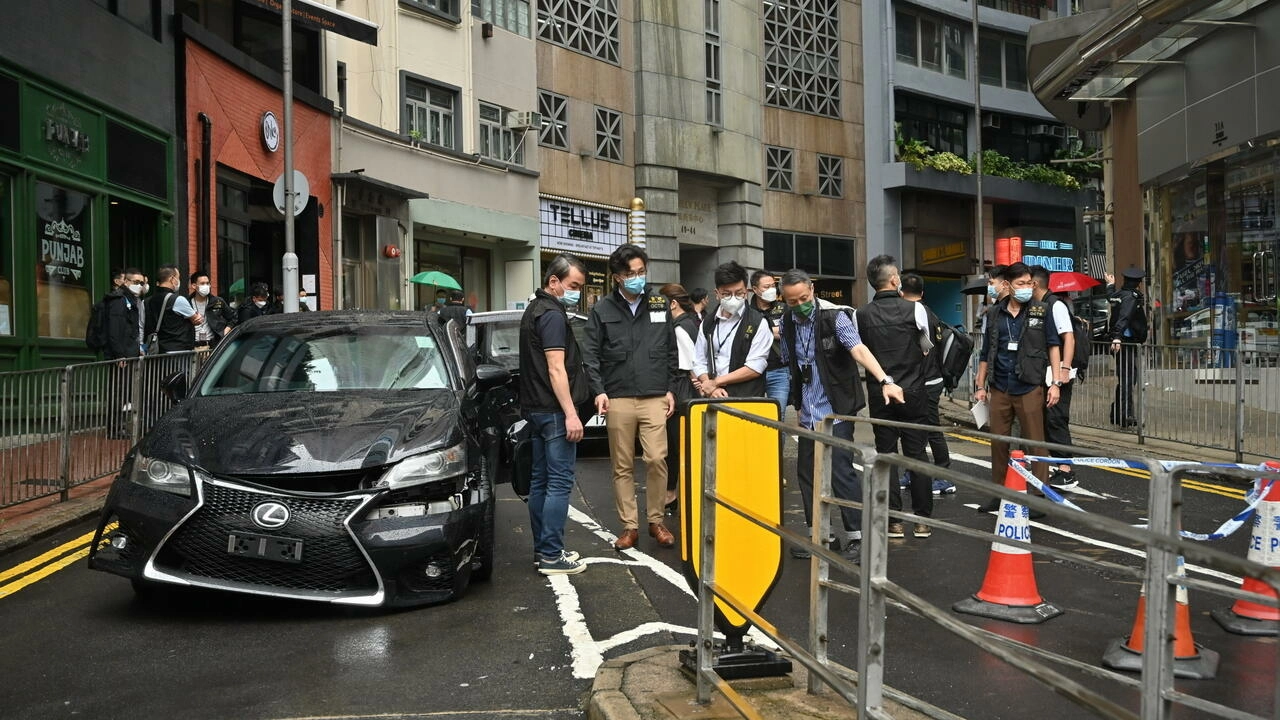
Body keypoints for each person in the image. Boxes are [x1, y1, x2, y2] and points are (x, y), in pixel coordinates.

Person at [778, 269, 905, 560]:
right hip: (809, 411)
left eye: (804, 298)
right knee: (807, 473)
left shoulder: (834, 317)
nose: (799, 305)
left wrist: (885, 380)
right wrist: (797, 404)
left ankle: (857, 537)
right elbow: (792, 363)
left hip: (836, 409)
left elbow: (858, 349)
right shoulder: (788, 321)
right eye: (792, 301)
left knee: (840, 471)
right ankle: (821, 536)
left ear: (812, 289)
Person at [583, 244, 678, 550]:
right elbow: (591, 355)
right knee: (621, 465)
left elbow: (671, 350)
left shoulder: (659, 303)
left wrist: (671, 389)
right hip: (618, 396)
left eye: (641, 272)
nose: (637, 278)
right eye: (630, 274)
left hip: (654, 395)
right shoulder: (602, 310)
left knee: (656, 458)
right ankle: (629, 526)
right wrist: (598, 390)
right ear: (617, 278)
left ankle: (656, 520)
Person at [519, 253, 592, 576]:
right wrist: (571, 414)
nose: (577, 292)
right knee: (558, 483)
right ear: (553, 282)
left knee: (540, 481)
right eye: (573, 285)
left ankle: (543, 549)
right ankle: (551, 554)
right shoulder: (551, 315)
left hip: (535, 409)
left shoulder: (534, 309)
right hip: (553, 411)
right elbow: (556, 368)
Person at [853, 256, 935, 539]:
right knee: (917, 454)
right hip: (912, 390)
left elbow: (860, 351)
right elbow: (926, 346)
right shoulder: (916, 309)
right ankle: (922, 520)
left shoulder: (860, 314)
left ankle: (893, 522)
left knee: (886, 455)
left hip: (880, 392)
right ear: (893, 279)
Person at [972, 263, 1062, 513]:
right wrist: (980, 385)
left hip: (1029, 385)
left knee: (1036, 442)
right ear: (1008, 285)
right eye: (1021, 284)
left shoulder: (1041, 311)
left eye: (1029, 283)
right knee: (998, 442)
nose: (1026, 288)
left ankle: (1038, 496)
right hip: (1000, 386)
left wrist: (1055, 383)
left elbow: (1053, 346)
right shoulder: (995, 314)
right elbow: (986, 351)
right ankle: (999, 493)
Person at [899, 273, 956, 495]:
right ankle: (914, 472)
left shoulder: (917, 314)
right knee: (918, 430)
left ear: (901, 292)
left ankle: (944, 477)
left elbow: (923, 348)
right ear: (922, 293)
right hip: (929, 379)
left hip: (926, 380)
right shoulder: (929, 313)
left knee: (929, 429)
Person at [1030, 265, 1079, 491]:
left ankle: (1066, 471)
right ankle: (1055, 466)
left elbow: (1068, 339)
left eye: (1025, 282)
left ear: (1035, 284)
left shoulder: (1055, 305)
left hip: (1058, 371)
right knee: (1047, 419)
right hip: (1046, 370)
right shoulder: (1038, 306)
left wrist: (1064, 370)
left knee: (1056, 419)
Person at [694, 261, 772, 399]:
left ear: (746, 293)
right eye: (727, 294)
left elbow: (755, 367)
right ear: (717, 293)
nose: (733, 298)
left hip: (746, 398)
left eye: (739, 293)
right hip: (714, 398)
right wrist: (709, 386)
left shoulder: (758, 322)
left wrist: (716, 382)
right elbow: (699, 360)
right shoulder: (708, 322)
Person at [659, 283, 700, 512]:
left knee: (675, 447)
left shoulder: (678, 328)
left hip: (682, 389)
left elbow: (690, 362)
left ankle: (673, 494)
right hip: (690, 389)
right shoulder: (693, 322)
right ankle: (672, 494)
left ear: (672, 303)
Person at [104, 268, 145, 438]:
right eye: (136, 282)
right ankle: (115, 428)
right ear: (126, 282)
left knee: (126, 390)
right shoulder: (119, 300)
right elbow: (115, 329)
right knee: (119, 391)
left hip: (130, 353)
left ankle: (121, 426)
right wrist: (119, 354)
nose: (140, 285)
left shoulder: (131, 299)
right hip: (123, 355)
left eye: (141, 283)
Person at [1109, 266, 1148, 429]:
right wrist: (1117, 336)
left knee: (1126, 378)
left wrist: (1110, 285)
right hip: (1125, 342)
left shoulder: (1119, 294)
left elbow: (1110, 297)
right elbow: (1124, 317)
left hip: (1123, 342)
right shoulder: (1131, 297)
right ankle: (1125, 414)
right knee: (1127, 379)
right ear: (1138, 283)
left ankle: (1119, 414)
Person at [750, 269, 790, 416]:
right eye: (766, 287)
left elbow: (788, 332)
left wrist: (762, 331)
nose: (771, 290)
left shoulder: (784, 308)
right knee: (754, 417)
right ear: (755, 289)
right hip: (754, 373)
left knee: (778, 416)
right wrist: (774, 331)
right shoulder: (748, 312)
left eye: (773, 286)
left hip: (779, 371)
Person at [146, 265, 203, 354]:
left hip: (158, 351)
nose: (178, 281)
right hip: (178, 351)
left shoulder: (148, 300)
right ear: (172, 279)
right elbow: (197, 319)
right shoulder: (178, 300)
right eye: (178, 278)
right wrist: (197, 317)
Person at [189, 271, 234, 350]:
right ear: (194, 285)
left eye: (207, 283)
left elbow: (233, 318)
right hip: (193, 346)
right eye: (202, 283)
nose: (206, 286)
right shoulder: (187, 303)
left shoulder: (217, 301)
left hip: (213, 346)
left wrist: (226, 330)